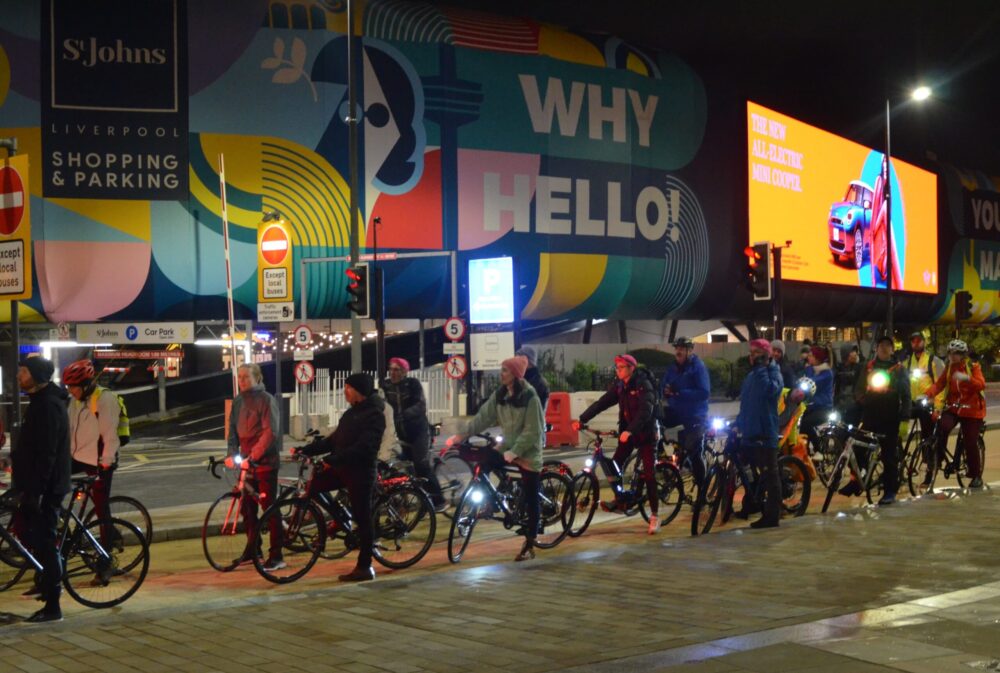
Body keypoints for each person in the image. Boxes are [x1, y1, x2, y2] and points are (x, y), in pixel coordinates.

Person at [450, 356, 544, 560]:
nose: (501, 374)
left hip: (528, 451)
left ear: (516, 375)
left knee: (531, 497)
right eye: (501, 370)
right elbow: (483, 417)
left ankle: (530, 542)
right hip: (507, 446)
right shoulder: (500, 394)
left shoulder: (530, 397)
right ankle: (491, 502)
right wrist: (461, 435)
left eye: (505, 371)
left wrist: (516, 451)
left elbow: (533, 431)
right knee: (484, 463)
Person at [295, 373, 384, 581]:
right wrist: (306, 450)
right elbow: (333, 440)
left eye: (348, 388)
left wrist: (333, 459)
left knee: (363, 519)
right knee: (314, 486)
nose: (344, 392)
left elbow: (364, 447)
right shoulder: (351, 413)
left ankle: (365, 567)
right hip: (343, 468)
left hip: (361, 472)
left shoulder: (374, 415)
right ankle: (341, 516)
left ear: (359, 391)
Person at [10, 357, 71, 623]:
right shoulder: (40, 402)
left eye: (23, 372)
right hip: (37, 485)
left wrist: (36, 492)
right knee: (28, 532)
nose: (19, 376)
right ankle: (46, 579)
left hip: (47, 487)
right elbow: (33, 447)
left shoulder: (47, 406)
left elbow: (47, 454)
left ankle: (53, 605)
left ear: (36, 376)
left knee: (46, 542)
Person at [574, 354, 661, 535]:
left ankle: (654, 515)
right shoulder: (621, 387)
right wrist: (582, 419)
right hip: (628, 434)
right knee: (614, 465)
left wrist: (631, 430)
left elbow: (646, 410)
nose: (618, 370)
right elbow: (602, 403)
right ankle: (621, 500)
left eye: (621, 367)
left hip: (645, 434)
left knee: (649, 474)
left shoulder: (643, 384)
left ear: (631, 368)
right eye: (617, 367)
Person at [226, 363, 284, 571]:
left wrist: (254, 455)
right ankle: (253, 549)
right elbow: (232, 431)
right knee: (247, 508)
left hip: (265, 463)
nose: (242, 381)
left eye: (246, 377)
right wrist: (232, 454)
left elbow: (271, 432)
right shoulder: (238, 401)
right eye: (239, 377)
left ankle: (277, 554)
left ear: (257, 378)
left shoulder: (267, 400)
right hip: (247, 464)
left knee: (269, 507)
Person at [851, 335, 910, 504]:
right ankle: (858, 480)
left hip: (890, 418)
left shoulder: (899, 369)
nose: (884, 348)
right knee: (858, 446)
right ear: (876, 348)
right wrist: (863, 400)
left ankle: (890, 490)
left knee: (889, 455)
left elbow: (906, 395)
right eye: (881, 345)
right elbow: (859, 389)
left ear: (892, 350)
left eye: (888, 346)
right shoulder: (868, 367)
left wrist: (905, 418)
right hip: (870, 415)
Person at [921, 339, 986, 489]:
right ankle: (939, 458)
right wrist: (928, 394)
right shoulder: (949, 368)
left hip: (972, 410)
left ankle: (976, 475)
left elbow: (981, 384)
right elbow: (940, 384)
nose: (952, 356)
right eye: (951, 353)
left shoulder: (973, 367)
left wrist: (968, 378)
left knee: (970, 441)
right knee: (941, 427)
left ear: (963, 355)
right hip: (954, 408)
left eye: (956, 353)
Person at [382, 357, 446, 510]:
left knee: (421, 464)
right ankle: (420, 496)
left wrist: (404, 414)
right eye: (391, 369)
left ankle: (439, 501)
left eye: (396, 369)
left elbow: (420, 405)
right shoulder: (385, 385)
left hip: (418, 431)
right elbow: (381, 405)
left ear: (404, 372)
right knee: (403, 465)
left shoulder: (412, 384)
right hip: (402, 433)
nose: (393, 372)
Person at [63, 360, 119, 531]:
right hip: (78, 456)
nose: (70, 391)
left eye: (73, 387)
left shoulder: (105, 398)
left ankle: (107, 547)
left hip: (99, 460)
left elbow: (110, 435)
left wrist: (105, 463)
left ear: (86, 385)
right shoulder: (75, 401)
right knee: (52, 483)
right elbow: (69, 428)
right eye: (68, 387)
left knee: (101, 506)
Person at [734, 340, 783, 528]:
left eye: (756, 353)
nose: (751, 356)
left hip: (764, 432)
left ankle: (772, 516)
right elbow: (746, 403)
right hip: (749, 432)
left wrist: (763, 368)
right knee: (749, 471)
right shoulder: (751, 375)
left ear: (766, 355)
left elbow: (770, 391)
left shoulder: (773, 373)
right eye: (751, 352)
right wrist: (738, 423)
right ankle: (751, 504)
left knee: (771, 475)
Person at [659, 337, 710, 488]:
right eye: (677, 348)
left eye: (681, 348)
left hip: (695, 414)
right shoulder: (673, 368)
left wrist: (680, 392)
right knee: (654, 420)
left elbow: (704, 393)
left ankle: (702, 489)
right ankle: (664, 457)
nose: (678, 351)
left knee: (694, 452)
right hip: (676, 411)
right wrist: (665, 391)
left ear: (690, 351)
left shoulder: (698, 367)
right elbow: (664, 385)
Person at [902, 331, 945, 444]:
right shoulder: (907, 363)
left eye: (918, 340)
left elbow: (942, 386)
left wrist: (938, 408)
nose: (916, 343)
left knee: (928, 432)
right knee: (895, 419)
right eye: (913, 341)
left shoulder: (934, 361)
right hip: (913, 403)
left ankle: (930, 457)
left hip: (928, 404)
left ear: (924, 342)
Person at [800, 345, 834, 445]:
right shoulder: (811, 369)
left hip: (823, 408)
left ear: (817, 358)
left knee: (805, 423)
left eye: (811, 356)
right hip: (811, 407)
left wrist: (808, 372)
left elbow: (812, 383)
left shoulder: (827, 373)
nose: (808, 357)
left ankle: (818, 447)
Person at [834, 344, 864, 425]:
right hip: (840, 406)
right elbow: (836, 388)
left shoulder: (860, 367)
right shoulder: (838, 368)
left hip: (854, 406)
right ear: (846, 354)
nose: (855, 354)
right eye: (853, 351)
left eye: (856, 351)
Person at [515, 345, 550, 413]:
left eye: (519, 359)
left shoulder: (539, 383)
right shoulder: (519, 379)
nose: (517, 362)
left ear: (528, 361)